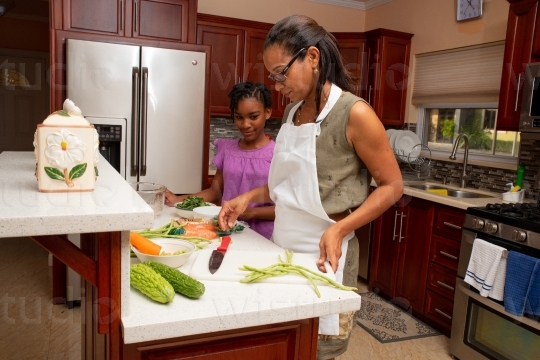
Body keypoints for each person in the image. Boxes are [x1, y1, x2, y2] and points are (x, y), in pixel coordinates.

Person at [217, 15, 403, 360]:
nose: (276, 84)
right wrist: (247, 198)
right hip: (282, 246)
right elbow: (287, 185)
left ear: (313, 58)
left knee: (318, 348)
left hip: (327, 253)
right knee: (281, 343)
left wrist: (341, 229)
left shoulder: (354, 113)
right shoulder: (291, 113)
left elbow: (393, 186)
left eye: (281, 72)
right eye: (272, 75)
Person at [165, 82, 276, 239]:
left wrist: (251, 212)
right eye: (239, 117)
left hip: (263, 238)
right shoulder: (228, 150)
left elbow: (287, 210)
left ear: (268, 112)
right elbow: (214, 193)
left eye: (253, 117)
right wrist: (178, 200)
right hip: (226, 233)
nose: (245, 124)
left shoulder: (278, 154)